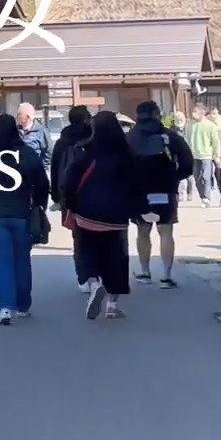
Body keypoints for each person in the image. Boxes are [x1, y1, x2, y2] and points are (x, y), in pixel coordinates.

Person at [59, 111, 142, 319]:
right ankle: (112, 305)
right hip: (117, 217)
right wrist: (135, 210)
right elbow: (136, 185)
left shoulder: (85, 153)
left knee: (88, 253)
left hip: (87, 214)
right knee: (117, 259)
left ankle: (94, 282)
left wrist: (69, 205)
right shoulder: (127, 155)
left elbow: (68, 183)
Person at [0, 113, 48, 325]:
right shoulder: (27, 154)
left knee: (1, 262)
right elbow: (41, 184)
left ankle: (5, 308)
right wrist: (39, 205)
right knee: (22, 260)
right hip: (22, 214)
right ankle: (23, 305)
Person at [129, 100, 195, 288]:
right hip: (165, 189)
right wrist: (175, 177)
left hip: (140, 191)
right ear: (158, 115)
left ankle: (144, 272)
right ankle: (166, 276)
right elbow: (187, 162)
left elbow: (122, 165)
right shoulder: (170, 136)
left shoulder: (131, 138)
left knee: (143, 230)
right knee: (165, 231)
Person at [49, 105, 96, 291]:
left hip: (69, 197)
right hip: (94, 195)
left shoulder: (62, 142)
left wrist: (56, 198)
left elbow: (54, 170)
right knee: (97, 236)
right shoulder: (93, 140)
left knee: (78, 238)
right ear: (86, 119)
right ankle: (96, 274)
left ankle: (83, 278)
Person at [186, 105, 221, 206]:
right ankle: (202, 196)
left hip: (206, 155)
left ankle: (207, 198)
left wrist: (217, 155)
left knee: (205, 177)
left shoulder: (210, 126)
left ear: (202, 112)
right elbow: (187, 139)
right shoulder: (190, 125)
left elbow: (215, 141)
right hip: (193, 155)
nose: (193, 113)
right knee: (197, 177)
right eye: (193, 111)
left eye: (196, 111)